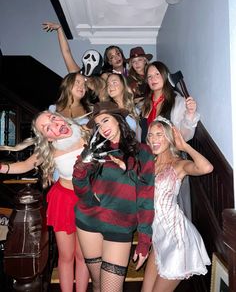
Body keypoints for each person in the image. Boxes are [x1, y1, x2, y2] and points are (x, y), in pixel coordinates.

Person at [0, 111, 90, 292]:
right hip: (64, 201)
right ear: (46, 138)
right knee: (66, 256)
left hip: (88, 201)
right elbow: (25, 165)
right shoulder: (50, 148)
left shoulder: (87, 132)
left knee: (83, 256)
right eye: (46, 128)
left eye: (53, 118)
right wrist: (2, 167)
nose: (54, 125)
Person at [72, 101, 155, 292]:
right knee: (98, 285)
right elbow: (82, 193)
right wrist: (80, 170)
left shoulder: (143, 152)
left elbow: (146, 198)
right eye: (98, 124)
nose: (103, 127)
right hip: (88, 222)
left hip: (120, 226)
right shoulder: (95, 151)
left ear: (118, 120)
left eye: (106, 120)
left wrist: (144, 240)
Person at [141, 116, 213, 292]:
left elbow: (206, 168)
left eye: (159, 134)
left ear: (169, 137)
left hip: (178, 240)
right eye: (150, 135)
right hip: (158, 238)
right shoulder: (149, 163)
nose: (153, 139)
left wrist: (185, 147)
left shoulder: (178, 165)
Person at [42, 21, 106, 102]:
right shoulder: (76, 73)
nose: (89, 59)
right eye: (87, 56)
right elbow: (66, 52)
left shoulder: (100, 83)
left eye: (93, 58)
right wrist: (59, 28)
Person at [140, 61, 200, 143]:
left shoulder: (178, 102)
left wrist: (190, 114)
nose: (153, 79)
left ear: (165, 76)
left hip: (169, 153)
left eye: (157, 74)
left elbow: (184, 137)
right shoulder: (144, 103)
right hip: (145, 152)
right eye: (149, 76)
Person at [106, 73, 140, 137]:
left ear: (123, 85)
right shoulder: (107, 112)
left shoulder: (135, 110)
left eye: (114, 82)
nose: (110, 86)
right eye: (108, 84)